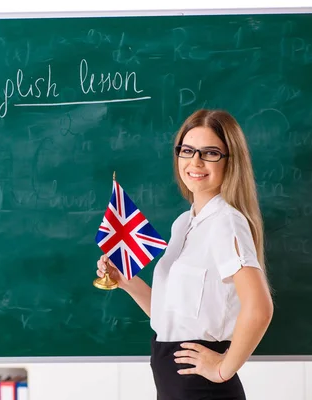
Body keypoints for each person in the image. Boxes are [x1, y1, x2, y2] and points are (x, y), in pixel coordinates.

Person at [96, 109, 274, 400]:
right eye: (187, 150)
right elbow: (171, 316)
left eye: (210, 153)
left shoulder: (226, 222)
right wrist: (127, 281)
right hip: (172, 382)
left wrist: (223, 369)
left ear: (231, 161)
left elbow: (259, 308)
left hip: (200, 389)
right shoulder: (184, 223)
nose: (195, 162)